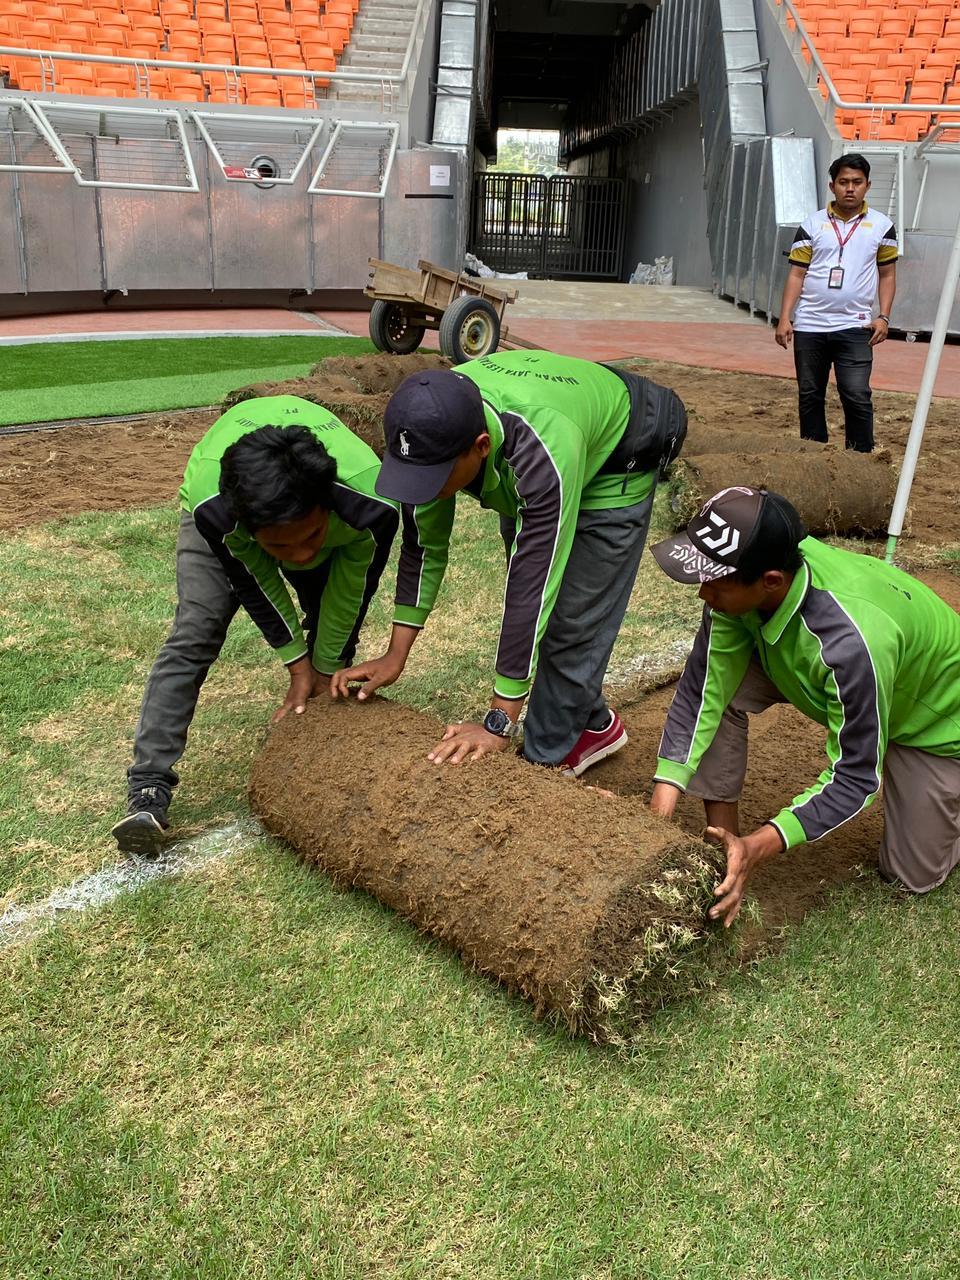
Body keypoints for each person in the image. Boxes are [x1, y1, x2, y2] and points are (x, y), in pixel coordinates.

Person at [331, 349, 687, 775]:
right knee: (545, 602)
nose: (424, 487)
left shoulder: (541, 450)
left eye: (436, 476)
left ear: (481, 447)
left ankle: (544, 762)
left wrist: (499, 721)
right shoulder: (432, 418)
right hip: (554, 434)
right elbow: (422, 545)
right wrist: (395, 654)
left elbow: (532, 585)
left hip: (623, 448)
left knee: (572, 618)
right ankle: (591, 720)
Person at [647, 485, 960, 927]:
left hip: (935, 723)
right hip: (829, 668)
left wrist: (761, 844)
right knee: (723, 693)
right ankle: (723, 846)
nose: (704, 593)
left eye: (715, 581)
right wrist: (656, 817)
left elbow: (854, 777)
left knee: (911, 876)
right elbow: (704, 693)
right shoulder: (757, 561)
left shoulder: (852, 644)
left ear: (770, 581)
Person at [112, 395, 399, 859]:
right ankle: (149, 787)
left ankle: (324, 736)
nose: (302, 556)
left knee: (328, 633)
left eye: (310, 537)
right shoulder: (218, 512)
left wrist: (324, 666)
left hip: (336, 521)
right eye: (282, 547)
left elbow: (352, 590)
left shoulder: (369, 506)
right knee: (196, 630)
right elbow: (254, 582)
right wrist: (295, 663)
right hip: (217, 513)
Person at [775, 152, 898, 453]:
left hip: (855, 326)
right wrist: (784, 317)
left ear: (868, 185)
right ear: (832, 186)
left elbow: (887, 275)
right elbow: (796, 274)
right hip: (810, 325)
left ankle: (859, 462)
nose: (850, 188)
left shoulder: (882, 227)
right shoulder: (812, 224)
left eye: (857, 182)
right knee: (810, 394)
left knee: (856, 393)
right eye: (843, 182)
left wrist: (883, 316)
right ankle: (814, 457)